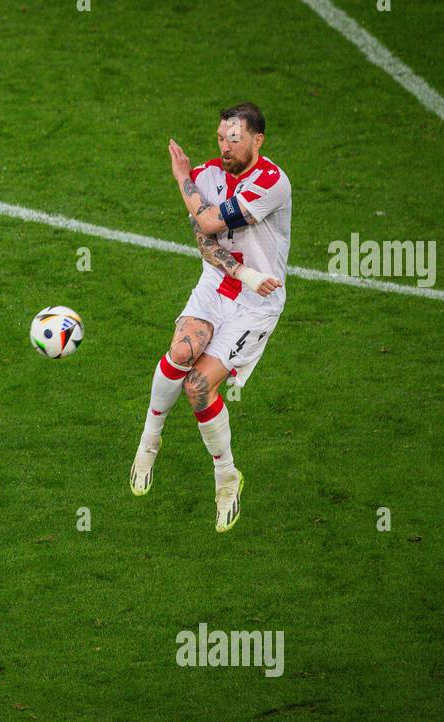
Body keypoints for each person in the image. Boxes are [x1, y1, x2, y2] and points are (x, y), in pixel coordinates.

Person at [130, 102, 292, 532]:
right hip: (219, 286)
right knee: (181, 350)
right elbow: (203, 239)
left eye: (234, 140)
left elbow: (209, 218)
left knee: (198, 387)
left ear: (258, 140)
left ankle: (226, 477)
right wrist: (242, 271)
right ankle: (149, 442)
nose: (225, 147)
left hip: (256, 306)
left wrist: (181, 179)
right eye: (221, 138)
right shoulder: (209, 174)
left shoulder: (271, 183)